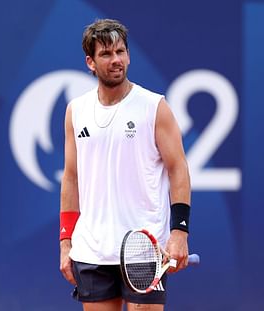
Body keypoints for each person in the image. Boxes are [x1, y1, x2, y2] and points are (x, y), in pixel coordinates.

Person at [59, 18, 191, 311]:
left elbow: (178, 168)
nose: (116, 60)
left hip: (144, 249)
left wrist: (179, 231)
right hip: (92, 251)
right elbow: (71, 178)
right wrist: (66, 242)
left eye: (120, 52)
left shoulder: (154, 107)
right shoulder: (76, 111)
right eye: (106, 54)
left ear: (129, 56)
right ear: (91, 62)